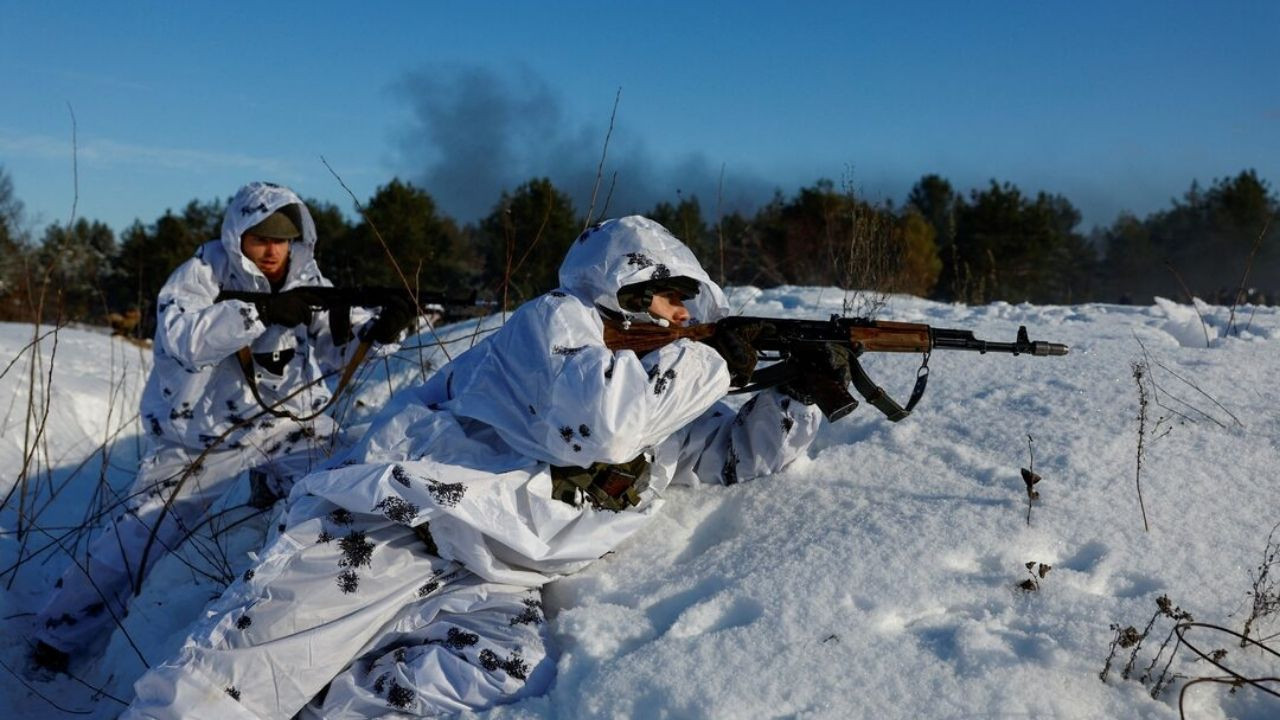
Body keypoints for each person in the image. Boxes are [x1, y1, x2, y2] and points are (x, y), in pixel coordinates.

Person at [122, 216, 851, 718]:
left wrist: (802, 396)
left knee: (495, 672)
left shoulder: (661, 383)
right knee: (222, 688)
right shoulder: (554, 326)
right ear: (625, 289)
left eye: (688, 306)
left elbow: (723, 456)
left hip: (492, 571)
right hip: (388, 524)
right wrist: (714, 359)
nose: (679, 316)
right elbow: (597, 424)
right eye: (668, 297)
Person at [31, 181, 416, 673]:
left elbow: (334, 348)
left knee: (346, 490)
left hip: (287, 431)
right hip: (202, 439)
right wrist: (256, 312)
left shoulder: (306, 277)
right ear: (238, 237)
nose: (274, 251)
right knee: (141, 534)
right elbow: (182, 338)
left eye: (284, 240)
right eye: (261, 239)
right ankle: (58, 634)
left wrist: (378, 332)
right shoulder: (200, 275)